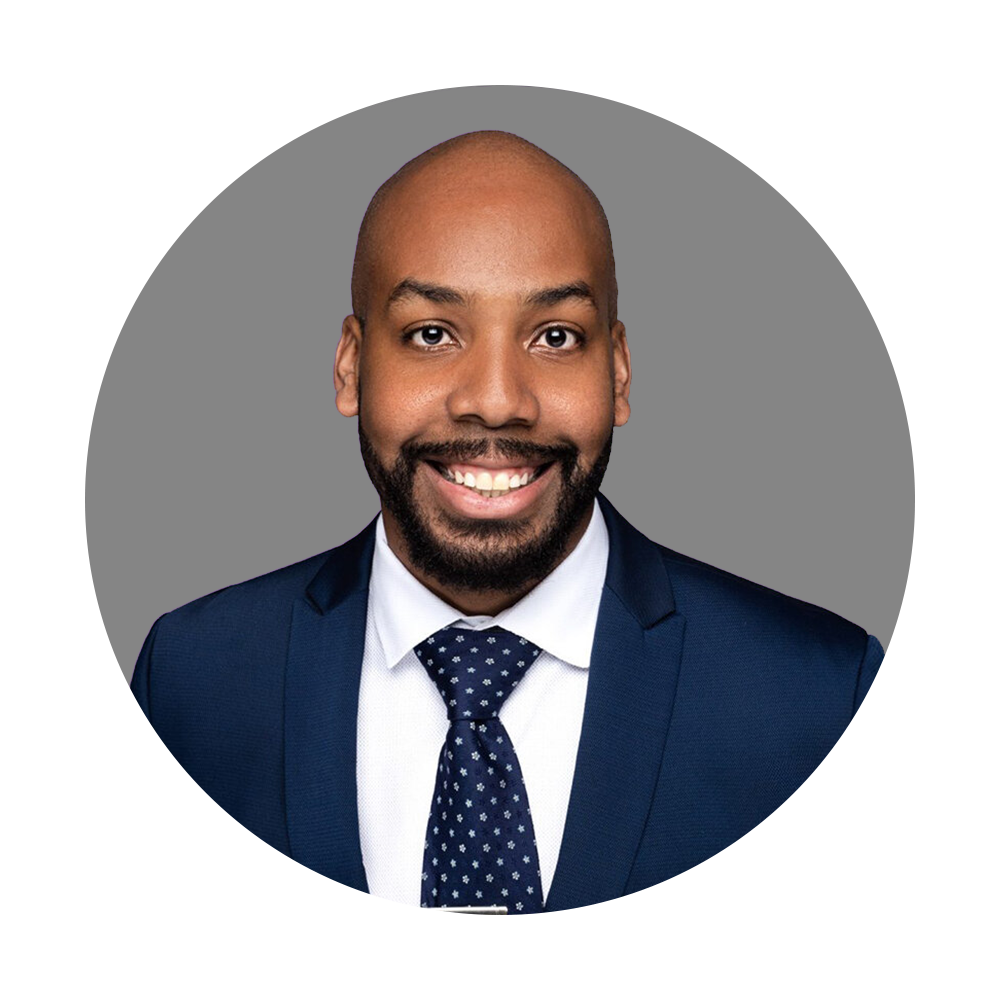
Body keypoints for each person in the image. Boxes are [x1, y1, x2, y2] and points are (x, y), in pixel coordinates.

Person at [130, 130, 885, 927]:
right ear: (351, 367)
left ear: (618, 373)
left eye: (554, 336)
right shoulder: (192, 681)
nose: (496, 399)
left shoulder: (819, 700)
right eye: (432, 334)